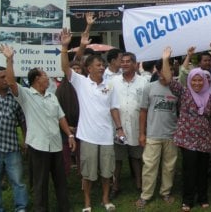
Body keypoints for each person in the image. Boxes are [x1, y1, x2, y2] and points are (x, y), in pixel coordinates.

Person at [0, 44, 76, 212]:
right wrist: (9, 59)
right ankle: (41, 209)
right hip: (38, 146)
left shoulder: (51, 96)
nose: (48, 78)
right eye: (45, 76)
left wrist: (69, 136)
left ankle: (65, 208)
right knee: (40, 183)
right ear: (36, 79)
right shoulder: (26, 95)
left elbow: (60, 117)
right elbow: (11, 81)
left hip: (55, 145)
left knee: (61, 181)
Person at [60, 28, 126, 212]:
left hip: (106, 136)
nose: (102, 67)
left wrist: (119, 128)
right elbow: (65, 68)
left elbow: (113, 108)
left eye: (102, 65)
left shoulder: (109, 86)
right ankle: (87, 203)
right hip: (88, 137)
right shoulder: (81, 82)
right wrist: (64, 47)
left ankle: (106, 200)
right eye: (98, 65)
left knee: (106, 172)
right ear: (89, 69)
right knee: (88, 174)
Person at [162, 46, 211, 211]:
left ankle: (203, 197)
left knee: (202, 170)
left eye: (200, 80)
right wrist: (166, 60)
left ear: (206, 81)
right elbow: (168, 79)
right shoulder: (184, 93)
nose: (197, 83)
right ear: (189, 80)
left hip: (205, 140)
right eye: (194, 80)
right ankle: (187, 200)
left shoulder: (209, 98)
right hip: (187, 139)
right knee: (189, 170)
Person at [136, 56, 179, 209]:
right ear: (158, 71)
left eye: (169, 70)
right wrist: (142, 133)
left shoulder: (177, 88)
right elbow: (142, 112)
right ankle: (145, 195)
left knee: (169, 166)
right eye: (162, 71)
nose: (165, 74)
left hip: (171, 134)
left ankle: (165, 192)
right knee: (149, 165)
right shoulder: (149, 87)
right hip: (153, 134)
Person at [110, 52, 147, 198]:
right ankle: (115, 186)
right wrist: (118, 128)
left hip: (137, 127)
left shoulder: (143, 82)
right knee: (117, 159)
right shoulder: (113, 81)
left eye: (128, 61)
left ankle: (139, 184)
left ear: (134, 64)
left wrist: (143, 131)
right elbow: (111, 104)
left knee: (137, 158)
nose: (124, 64)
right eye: (122, 61)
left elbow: (145, 107)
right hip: (118, 127)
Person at [0, 66, 28, 212]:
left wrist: (26, 140)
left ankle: (21, 208)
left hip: (12, 147)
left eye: (7, 76)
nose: (6, 80)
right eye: (2, 77)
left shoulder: (15, 97)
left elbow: (22, 121)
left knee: (18, 182)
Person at [55, 60, 82, 175]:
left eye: (78, 68)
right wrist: (68, 127)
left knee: (83, 156)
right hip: (65, 128)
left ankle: (84, 177)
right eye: (73, 69)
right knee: (65, 156)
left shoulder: (86, 85)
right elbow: (57, 110)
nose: (76, 71)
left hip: (83, 127)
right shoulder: (61, 89)